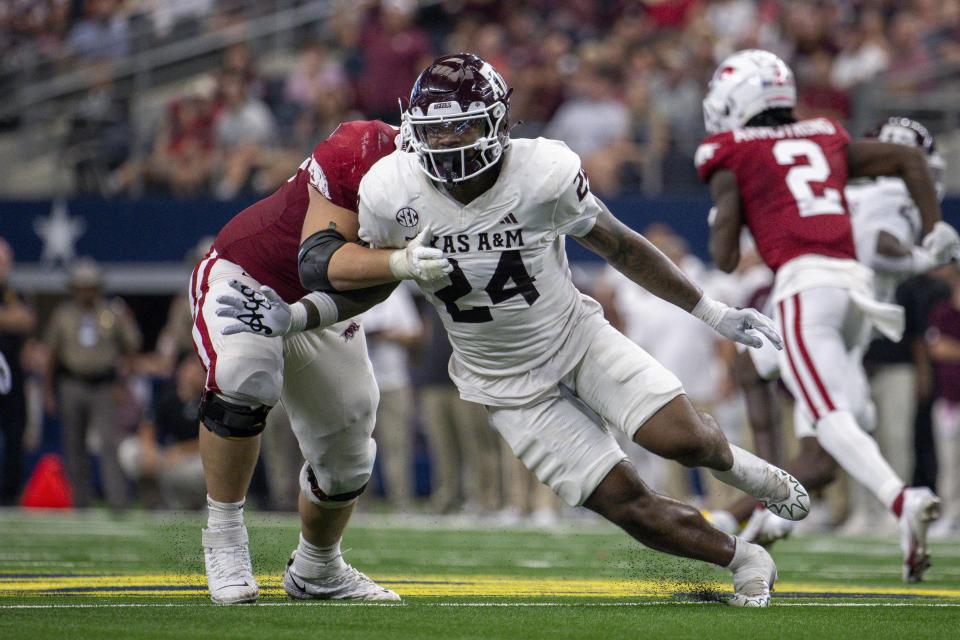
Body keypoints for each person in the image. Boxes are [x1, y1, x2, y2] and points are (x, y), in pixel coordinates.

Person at [220, 53, 811, 608]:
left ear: (499, 123)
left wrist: (711, 311)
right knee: (628, 505)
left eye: (463, 129)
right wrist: (302, 315)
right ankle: (746, 557)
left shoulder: (543, 172)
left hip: (576, 340)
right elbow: (373, 282)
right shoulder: (388, 189)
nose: (448, 145)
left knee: (685, 440)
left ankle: (761, 477)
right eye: (437, 131)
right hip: (503, 383)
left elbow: (620, 246)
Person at [697, 50, 958, 582]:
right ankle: (770, 520)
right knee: (852, 415)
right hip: (854, 291)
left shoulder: (733, 152)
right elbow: (906, 163)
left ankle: (899, 499)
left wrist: (731, 212)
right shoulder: (826, 134)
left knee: (827, 416)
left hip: (803, 288)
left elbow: (724, 258)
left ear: (736, 102)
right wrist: (934, 230)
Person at [192, 119, 449, 604]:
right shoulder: (363, 147)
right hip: (247, 277)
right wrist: (402, 262)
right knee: (246, 374)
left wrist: (295, 317)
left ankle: (318, 568)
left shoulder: (468, 193)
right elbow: (317, 259)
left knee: (351, 452)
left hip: (315, 307)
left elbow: (370, 289)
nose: (455, 143)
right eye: (445, 129)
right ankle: (224, 538)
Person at [44, 258, 142, 510]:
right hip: (71, 382)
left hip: (104, 384)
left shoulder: (111, 313)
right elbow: (52, 355)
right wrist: (48, 390)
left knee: (110, 442)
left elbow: (132, 344)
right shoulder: (63, 315)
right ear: (74, 288)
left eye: (90, 286)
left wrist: (124, 383)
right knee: (73, 443)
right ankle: (80, 501)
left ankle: (118, 501)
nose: (86, 290)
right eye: (81, 286)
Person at [0, 238, 37, 505]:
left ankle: (10, 493)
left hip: (11, 370)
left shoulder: (14, 291)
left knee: (15, 431)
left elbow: (27, 320)